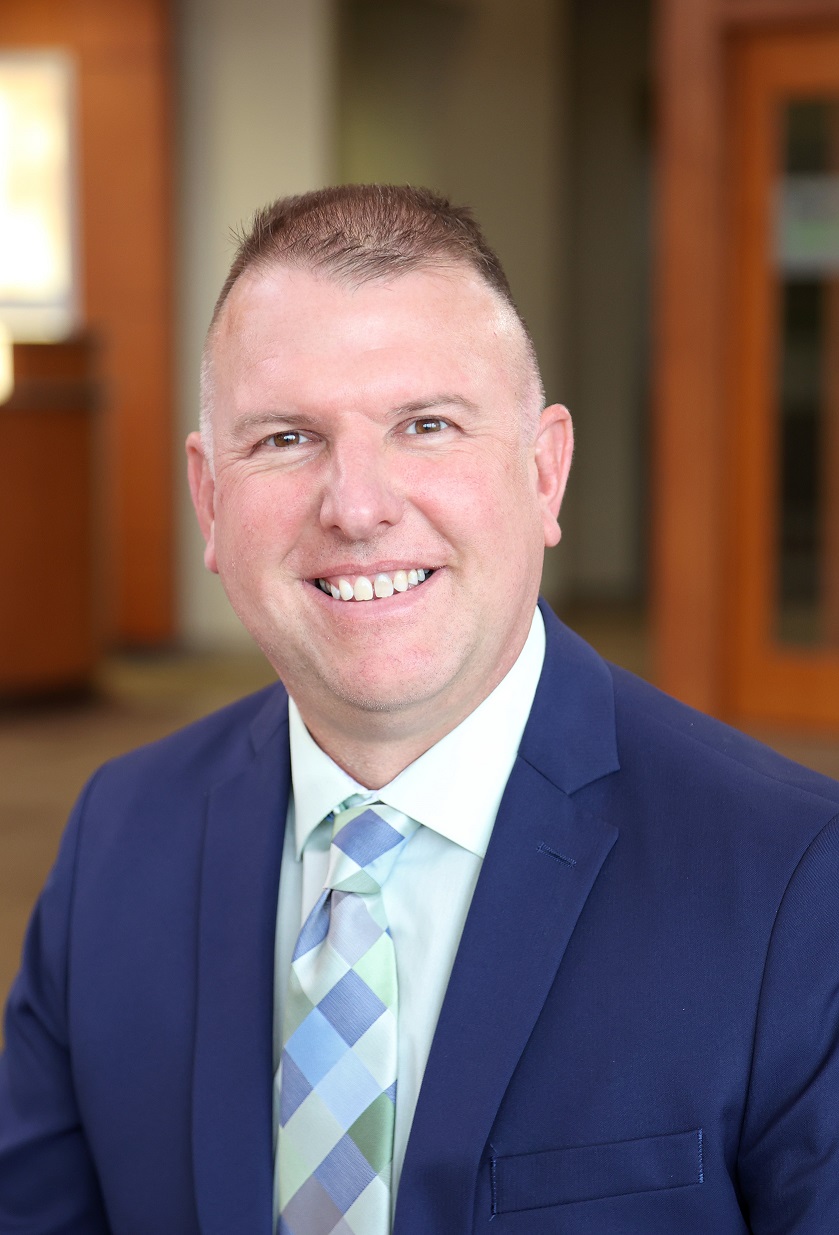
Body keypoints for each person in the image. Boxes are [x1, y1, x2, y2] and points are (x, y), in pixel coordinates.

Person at [2, 185, 839, 1235]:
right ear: (209, 500)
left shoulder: (794, 879)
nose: (357, 506)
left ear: (544, 472)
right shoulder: (118, 837)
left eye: (426, 425)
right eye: (286, 438)